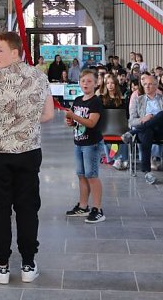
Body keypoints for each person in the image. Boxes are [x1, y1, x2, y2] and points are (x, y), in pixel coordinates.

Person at [0, 32, 54, 285]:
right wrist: (25, 124)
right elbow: (49, 114)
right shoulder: (40, 77)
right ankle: (29, 263)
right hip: (28, 151)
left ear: (15, 52)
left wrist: (5, 124)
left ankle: (2, 265)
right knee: (27, 207)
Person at [63, 71, 105, 223]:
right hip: (79, 142)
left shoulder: (95, 102)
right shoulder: (78, 100)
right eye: (83, 81)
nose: (85, 84)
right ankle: (83, 206)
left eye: (89, 81)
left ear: (95, 84)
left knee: (92, 176)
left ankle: (98, 208)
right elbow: (77, 122)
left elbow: (91, 123)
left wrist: (74, 117)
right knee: (81, 175)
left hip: (91, 143)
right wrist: (70, 122)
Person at [122, 74, 163, 181]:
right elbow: (132, 120)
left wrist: (153, 118)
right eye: (145, 84)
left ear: (156, 85)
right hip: (145, 130)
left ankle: (133, 132)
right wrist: (143, 119)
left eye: (150, 84)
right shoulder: (137, 100)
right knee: (147, 131)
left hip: (161, 130)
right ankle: (147, 172)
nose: (147, 87)